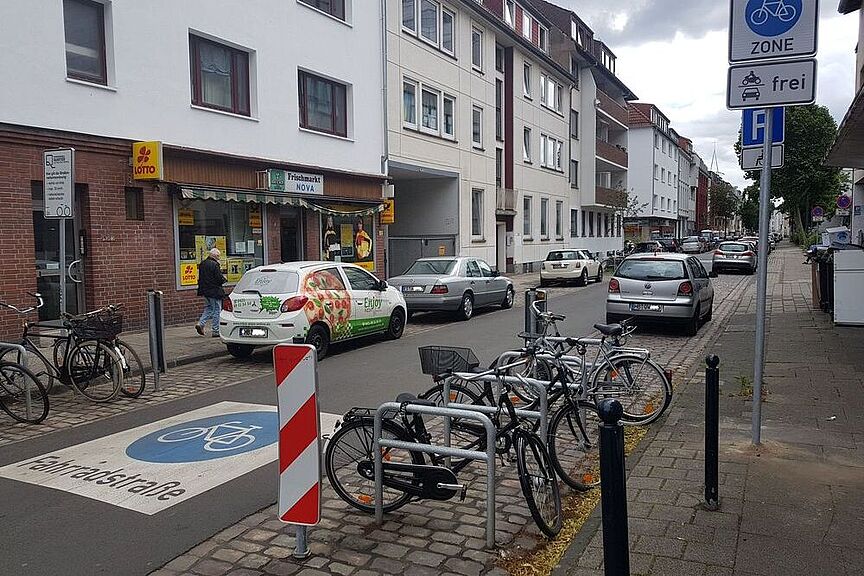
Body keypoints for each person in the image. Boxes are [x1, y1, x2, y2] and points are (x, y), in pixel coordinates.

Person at [196, 247, 226, 337]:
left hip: (205, 290)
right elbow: (218, 278)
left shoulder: (203, 263)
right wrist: (224, 279)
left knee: (209, 308)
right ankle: (216, 330)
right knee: (217, 310)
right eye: (218, 256)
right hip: (214, 291)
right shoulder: (214, 264)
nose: (219, 258)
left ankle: (201, 324)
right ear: (215, 256)